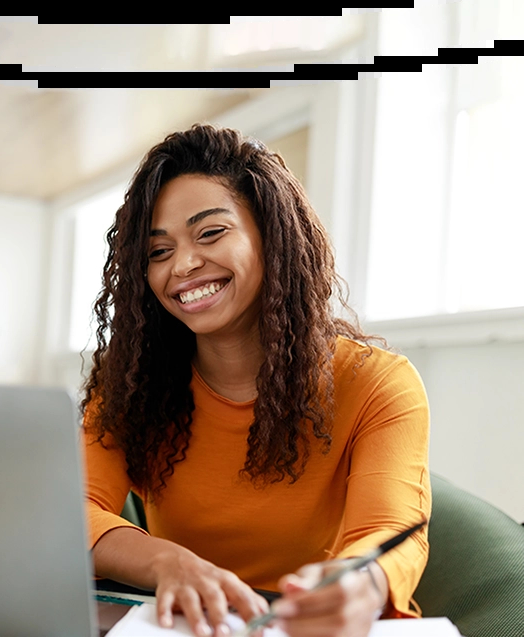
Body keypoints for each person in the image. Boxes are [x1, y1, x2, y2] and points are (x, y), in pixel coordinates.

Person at [80, 124, 430, 637]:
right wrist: (166, 562)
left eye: (210, 233)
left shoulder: (379, 384)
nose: (184, 264)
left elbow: (389, 532)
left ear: (273, 235)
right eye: (158, 252)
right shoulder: (131, 385)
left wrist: (365, 584)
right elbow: (73, 512)